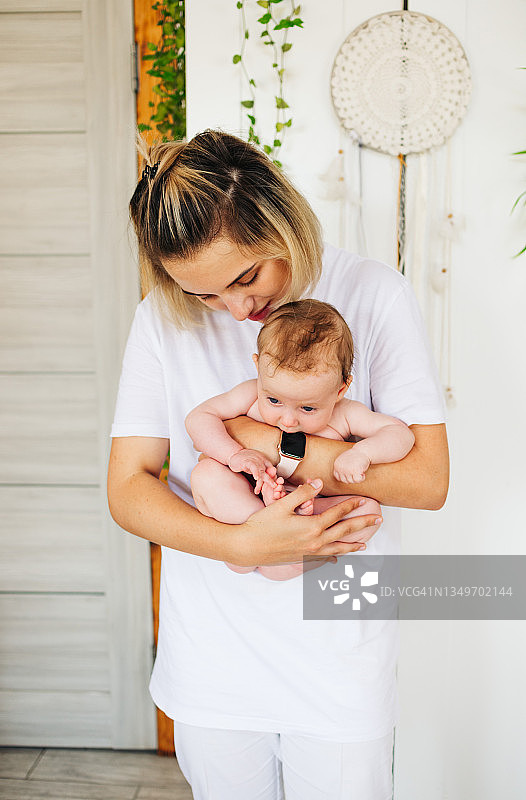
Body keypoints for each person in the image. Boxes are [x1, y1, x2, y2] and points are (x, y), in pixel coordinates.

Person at [107, 129, 449, 800]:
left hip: (340, 656)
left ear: (282, 220)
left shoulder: (373, 294)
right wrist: (243, 545)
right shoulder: (161, 319)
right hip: (212, 656)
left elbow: (427, 481)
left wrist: (260, 440)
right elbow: (128, 488)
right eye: (206, 295)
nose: (237, 310)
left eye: (246, 278)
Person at [186, 298, 415, 581]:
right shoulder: (249, 394)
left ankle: (289, 559)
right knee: (206, 474)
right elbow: (199, 417)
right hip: (250, 499)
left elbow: (400, 434)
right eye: (274, 400)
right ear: (258, 369)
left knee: (368, 513)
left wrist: (363, 453)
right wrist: (233, 454)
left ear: (340, 389)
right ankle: (256, 535)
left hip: (312, 507)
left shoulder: (345, 413)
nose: (288, 420)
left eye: (307, 408)